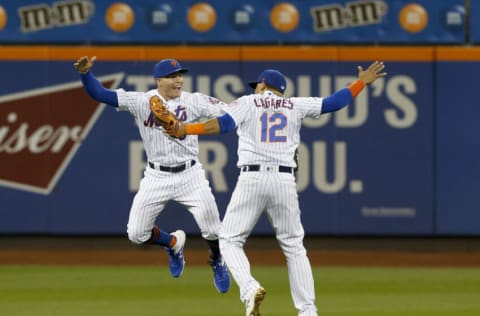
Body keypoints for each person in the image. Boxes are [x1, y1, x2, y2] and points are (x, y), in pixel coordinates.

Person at [151, 61, 386, 315]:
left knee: (229, 240)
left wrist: (187, 128)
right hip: (284, 180)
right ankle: (308, 311)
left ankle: (249, 288)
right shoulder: (295, 105)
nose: (256, 89)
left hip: (252, 178)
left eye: (258, 85)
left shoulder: (249, 102)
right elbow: (335, 102)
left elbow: (223, 125)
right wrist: (362, 81)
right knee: (294, 247)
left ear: (263, 85)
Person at [73, 56, 230, 293]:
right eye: (172, 76)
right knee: (136, 234)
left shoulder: (195, 101)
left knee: (214, 231)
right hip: (156, 176)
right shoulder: (142, 101)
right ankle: (173, 243)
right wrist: (86, 74)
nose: (178, 80)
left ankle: (216, 259)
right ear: (158, 80)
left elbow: (231, 115)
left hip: (191, 175)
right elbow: (101, 94)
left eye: (180, 75)